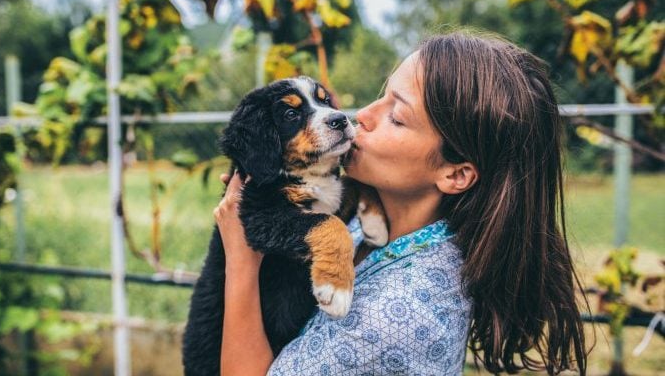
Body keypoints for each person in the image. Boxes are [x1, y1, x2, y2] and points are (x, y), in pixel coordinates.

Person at [213, 30, 588, 375]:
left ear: (456, 174)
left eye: (396, 116)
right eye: (383, 95)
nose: (361, 116)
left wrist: (241, 259)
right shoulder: (396, 227)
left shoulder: (393, 318)